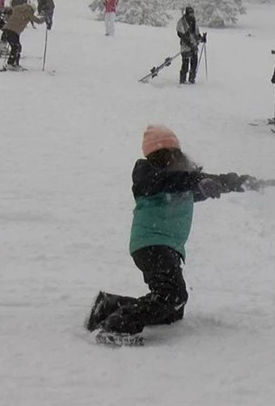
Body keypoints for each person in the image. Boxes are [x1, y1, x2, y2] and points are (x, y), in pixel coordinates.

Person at [85, 125, 265, 345]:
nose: (173, 158)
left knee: (171, 309)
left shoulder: (184, 180)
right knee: (173, 296)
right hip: (152, 244)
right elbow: (168, 181)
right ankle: (117, 327)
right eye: (167, 154)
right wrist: (196, 181)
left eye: (175, 153)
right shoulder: (146, 174)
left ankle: (110, 306)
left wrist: (246, 183)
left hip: (165, 247)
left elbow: (217, 180)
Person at [0, 0, 44, 71]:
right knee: (16, 47)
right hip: (13, 31)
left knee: (16, 46)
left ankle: (13, 63)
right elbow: (38, 21)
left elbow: (8, 10)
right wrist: (45, 18)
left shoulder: (17, 8)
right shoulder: (28, 11)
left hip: (7, 29)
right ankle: (12, 64)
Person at [177, 6, 204, 85]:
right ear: (187, 13)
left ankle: (192, 78)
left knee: (194, 62)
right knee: (185, 63)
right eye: (190, 13)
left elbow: (196, 33)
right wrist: (188, 42)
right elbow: (180, 33)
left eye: (192, 13)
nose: (191, 14)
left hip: (194, 45)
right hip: (185, 46)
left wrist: (201, 38)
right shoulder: (182, 22)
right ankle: (182, 80)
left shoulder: (194, 21)